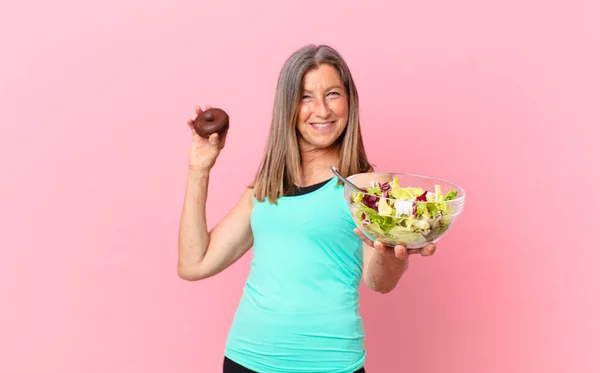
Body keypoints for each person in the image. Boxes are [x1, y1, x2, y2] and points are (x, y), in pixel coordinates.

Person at [177, 44, 437, 373]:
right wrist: (198, 170)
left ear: (349, 101)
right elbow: (193, 264)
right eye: (305, 97)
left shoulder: (368, 187)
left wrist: (394, 248)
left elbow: (379, 282)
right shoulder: (265, 189)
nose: (322, 110)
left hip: (331, 364)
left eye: (332, 94)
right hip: (248, 359)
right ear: (288, 106)